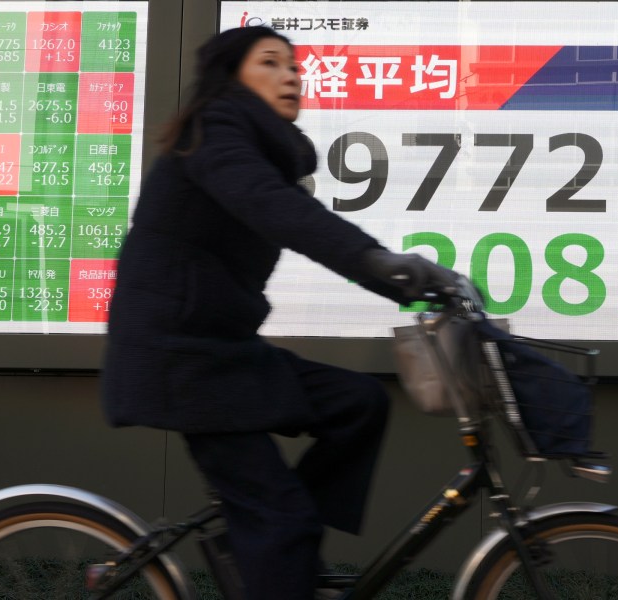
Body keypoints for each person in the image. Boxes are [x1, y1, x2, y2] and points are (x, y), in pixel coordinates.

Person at [102, 26, 458, 600]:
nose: (291, 74)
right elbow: (275, 210)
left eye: (294, 65)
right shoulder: (212, 130)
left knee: (358, 405)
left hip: (222, 350)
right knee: (281, 521)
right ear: (230, 78)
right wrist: (384, 265)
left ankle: (261, 554)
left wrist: (405, 282)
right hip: (180, 361)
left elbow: (292, 212)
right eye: (270, 62)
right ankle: (271, 551)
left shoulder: (257, 152)